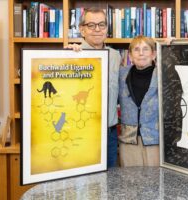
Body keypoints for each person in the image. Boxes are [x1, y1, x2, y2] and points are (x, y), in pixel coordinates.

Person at [66, 7, 121, 168]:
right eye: (91, 25)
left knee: (108, 183)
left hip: (110, 133)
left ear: (106, 29)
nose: (97, 29)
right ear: (82, 30)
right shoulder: (72, 55)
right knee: (84, 186)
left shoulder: (116, 56)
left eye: (101, 25)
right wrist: (65, 57)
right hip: (82, 131)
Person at [118, 35, 159, 166]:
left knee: (157, 183)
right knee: (130, 184)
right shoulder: (120, 74)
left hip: (155, 141)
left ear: (154, 54)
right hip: (128, 142)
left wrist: (173, 47)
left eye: (146, 49)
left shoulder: (164, 74)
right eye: (136, 49)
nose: (141, 53)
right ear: (130, 56)